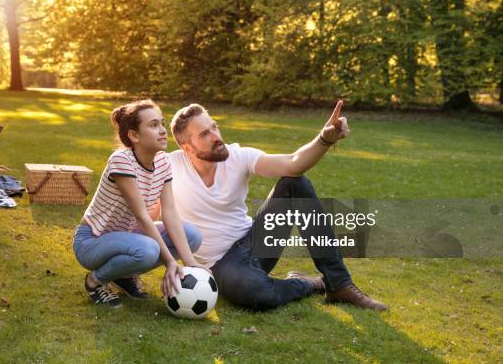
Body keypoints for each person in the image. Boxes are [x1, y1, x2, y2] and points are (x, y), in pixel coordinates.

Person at [168, 100, 387, 311]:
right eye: (205, 134)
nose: (216, 136)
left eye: (214, 126)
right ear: (187, 148)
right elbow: (151, 214)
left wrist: (324, 139)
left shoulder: (239, 156)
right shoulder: (170, 167)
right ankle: (310, 284)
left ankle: (339, 284)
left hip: (254, 242)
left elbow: (293, 164)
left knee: (295, 182)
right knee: (254, 291)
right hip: (221, 265)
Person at [73, 99, 207, 308]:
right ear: (134, 135)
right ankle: (95, 281)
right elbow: (142, 216)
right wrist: (171, 262)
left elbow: (169, 212)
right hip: (92, 242)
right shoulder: (122, 161)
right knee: (148, 250)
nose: (163, 130)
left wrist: (190, 263)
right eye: (153, 125)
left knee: (192, 236)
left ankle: (124, 276)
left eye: (162, 123)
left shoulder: (163, 161)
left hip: (129, 237)